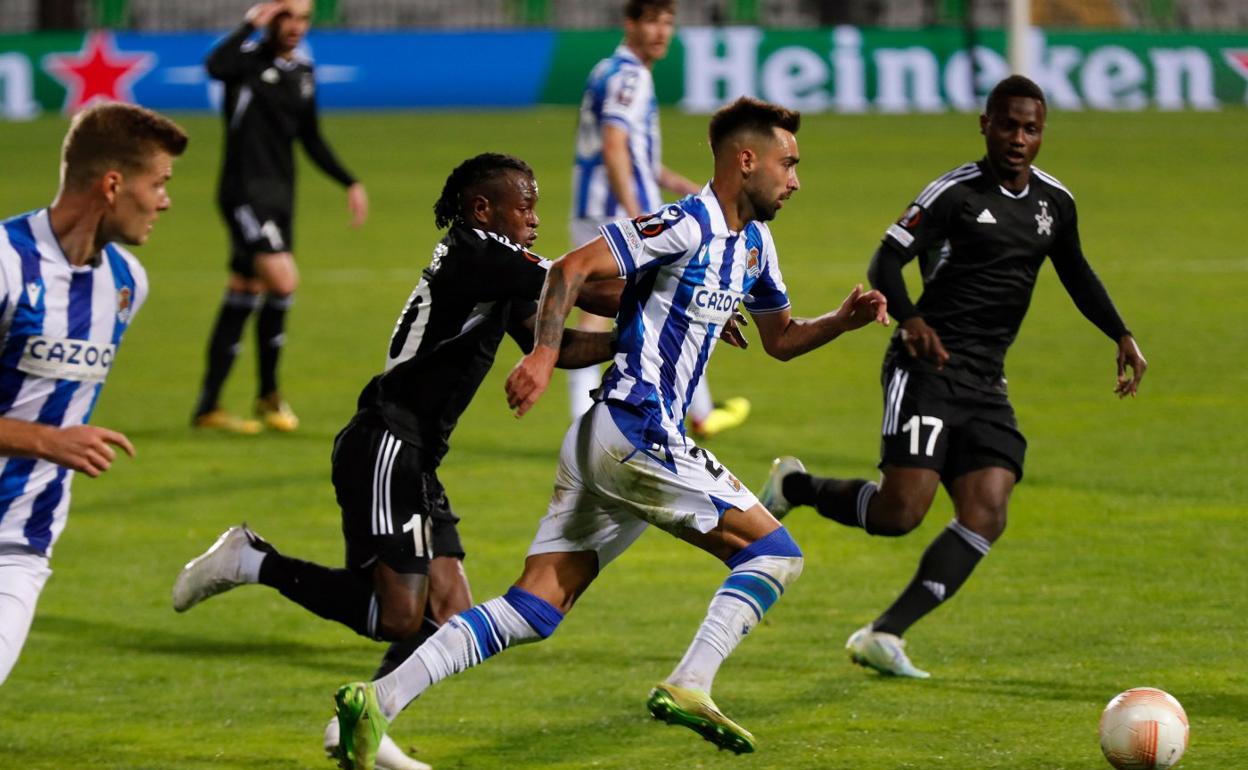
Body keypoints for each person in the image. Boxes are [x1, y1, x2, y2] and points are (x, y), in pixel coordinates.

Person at [329, 97, 889, 770]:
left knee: (533, 608)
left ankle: (377, 699)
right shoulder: (685, 222)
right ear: (747, 161)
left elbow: (781, 339)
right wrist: (540, 354)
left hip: (607, 441)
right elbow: (570, 270)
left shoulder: (755, 247)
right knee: (775, 555)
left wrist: (842, 322)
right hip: (638, 429)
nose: (795, 179)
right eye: (788, 163)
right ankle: (691, 682)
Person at [172, 153, 622, 769]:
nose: (536, 220)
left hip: (413, 453)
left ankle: (359, 723)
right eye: (526, 207)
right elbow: (577, 282)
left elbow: (560, 343)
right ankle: (252, 561)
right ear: (483, 208)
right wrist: (674, 293)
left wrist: (639, 336)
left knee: (453, 617)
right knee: (398, 614)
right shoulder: (479, 252)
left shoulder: (490, 266)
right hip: (387, 441)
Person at [758, 75, 1147, 679]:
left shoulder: (1054, 204)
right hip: (925, 368)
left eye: (1032, 129)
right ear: (986, 125)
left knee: (987, 509)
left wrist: (1120, 333)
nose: (1019, 139)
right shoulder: (955, 194)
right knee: (900, 514)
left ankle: (883, 634)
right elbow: (886, 259)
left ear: (1042, 134)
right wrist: (910, 320)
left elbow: (1075, 270)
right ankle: (796, 488)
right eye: (1009, 125)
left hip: (986, 381)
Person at [0, 102, 187, 684]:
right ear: (113, 184)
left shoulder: (126, 283)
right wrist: (47, 441)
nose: (164, 200)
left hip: (18, 544)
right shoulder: (6, 263)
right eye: (157, 183)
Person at [566, 0, 749, 440]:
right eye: (651, 21)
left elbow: (638, 159)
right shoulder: (629, 77)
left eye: (668, 22)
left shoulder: (609, 70)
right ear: (630, 24)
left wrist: (690, 189)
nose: (661, 32)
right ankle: (588, 427)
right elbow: (613, 146)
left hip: (593, 207)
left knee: (663, 301)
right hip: (617, 212)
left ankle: (696, 413)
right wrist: (635, 217)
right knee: (670, 301)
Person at [192, 0, 368, 434]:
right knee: (283, 281)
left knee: (244, 289)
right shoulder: (246, 63)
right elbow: (215, 65)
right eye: (286, 16)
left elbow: (310, 137)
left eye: (303, 18)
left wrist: (349, 181)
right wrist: (249, 24)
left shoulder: (303, 74)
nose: (295, 26)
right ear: (270, 19)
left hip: (280, 197)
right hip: (244, 193)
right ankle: (269, 394)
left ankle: (208, 407)